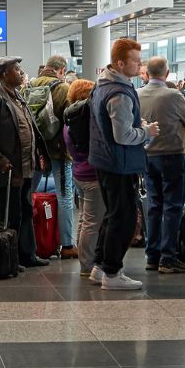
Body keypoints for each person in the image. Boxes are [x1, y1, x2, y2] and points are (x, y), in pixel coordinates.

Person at [0, 55, 48, 272]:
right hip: (8, 170)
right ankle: (9, 258)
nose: (21, 72)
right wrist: (1, 161)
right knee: (8, 216)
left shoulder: (18, 97)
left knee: (25, 211)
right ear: (5, 74)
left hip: (26, 167)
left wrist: (38, 153)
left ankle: (27, 254)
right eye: (16, 69)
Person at [139, 55, 185, 275]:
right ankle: (168, 258)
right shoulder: (173, 94)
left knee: (153, 206)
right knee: (172, 206)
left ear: (146, 74)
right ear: (167, 74)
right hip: (172, 154)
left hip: (147, 155)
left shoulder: (137, 93)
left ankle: (152, 255)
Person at [27, 55, 76, 260]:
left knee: (27, 195)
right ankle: (66, 245)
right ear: (62, 70)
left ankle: (29, 241)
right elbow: (70, 120)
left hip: (34, 150)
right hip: (58, 151)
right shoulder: (64, 89)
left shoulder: (28, 86)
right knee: (65, 197)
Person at [62, 79, 100, 278]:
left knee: (85, 219)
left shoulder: (69, 122)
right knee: (92, 222)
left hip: (79, 173)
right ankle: (87, 265)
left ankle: (85, 259)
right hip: (93, 175)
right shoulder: (89, 123)